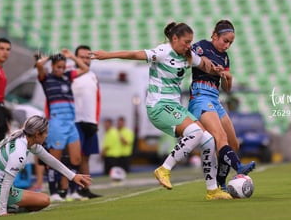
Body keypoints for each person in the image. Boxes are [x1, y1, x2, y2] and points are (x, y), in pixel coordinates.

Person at [91, 21, 232, 200]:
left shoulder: (188, 55)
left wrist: (217, 69)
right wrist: (107, 55)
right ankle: (164, 169)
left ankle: (212, 190)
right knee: (196, 132)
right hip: (158, 106)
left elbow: (203, 64)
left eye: (191, 42)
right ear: (174, 38)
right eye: (186, 42)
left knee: (208, 141)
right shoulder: (163, 52)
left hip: (174, 106)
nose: (189, 46)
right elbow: (134, 54)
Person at [188, 20, 255, 190]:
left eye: (231, 43)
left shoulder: (225, 57)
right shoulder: (201, 46)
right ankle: (239, 168)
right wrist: (202, 60)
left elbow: (227, 89)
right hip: (200, 95)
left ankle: (220, 183)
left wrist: (228, 77)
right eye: (225, 41)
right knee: (221, 137)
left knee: (234, 143)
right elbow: (188, 58)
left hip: (215, 98)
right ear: (215, 36)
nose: (227, 45)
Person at [0, 115, 91, 216]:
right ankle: (1, 208)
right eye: (45, 133)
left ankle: (2, 207)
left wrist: (73, 176)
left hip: (1, 187)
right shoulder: (19, 153)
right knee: (44, 200)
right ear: (37, 134)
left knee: (37, 201)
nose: (46, 136)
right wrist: (3, 212)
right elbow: (6, 183)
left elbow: (50, 160)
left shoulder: (23, 138)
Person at [35, 48, 89, 201]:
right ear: (52, 66)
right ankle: (53, 192)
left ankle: (73, 191)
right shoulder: (46, 78)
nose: (61, 70)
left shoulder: (67, 77)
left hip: (70, 122)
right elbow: (39, 66)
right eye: (58, 66)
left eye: (63, 67)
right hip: (57, 122)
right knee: (54, 159)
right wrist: (49, 57)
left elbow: (85, 68)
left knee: (76, 158)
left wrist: (71, 56)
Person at [72, 45, 102, 198]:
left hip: (90, 121)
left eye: (87, 57)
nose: (84, 60)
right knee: (74, 156)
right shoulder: (71, 74)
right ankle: (71, 188)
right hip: (75, 120)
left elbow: (97, 99)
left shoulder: (93, 76)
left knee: (86, 156)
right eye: (81, 57)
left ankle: (85, 189)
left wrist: (95, 120)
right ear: (76, 57)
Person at [0, 38, 12, 144]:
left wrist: (4, 117)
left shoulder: (1, 70)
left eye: (8, 49)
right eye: (2, 48)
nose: (5, 52)